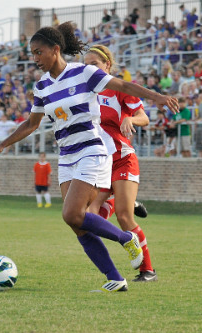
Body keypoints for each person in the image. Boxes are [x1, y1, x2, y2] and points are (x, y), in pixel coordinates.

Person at [0, 22, 178, 292]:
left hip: (92, 150)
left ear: (55, 49)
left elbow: (122, 84)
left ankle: (126, 239)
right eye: (32, 54)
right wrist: (0, 145)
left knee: (71, 213)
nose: (35, 59)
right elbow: (31, 124)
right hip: (66, 156)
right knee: (77, 223)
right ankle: (116, 279)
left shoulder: (85, 73)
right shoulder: (41, 87)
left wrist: (158, 97)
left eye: (39, 52)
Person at [83, 44, 156, 282]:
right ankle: (124, 200)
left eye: (94, 64)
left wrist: (130, 118)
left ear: (107, 65)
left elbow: (144, 117)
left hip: (122, 159)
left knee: (124, 217)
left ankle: (147, 271)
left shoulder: (119, 89)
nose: (89, 68)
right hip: (100, 163)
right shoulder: (85, 92)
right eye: (85, 65)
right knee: (89, 218)